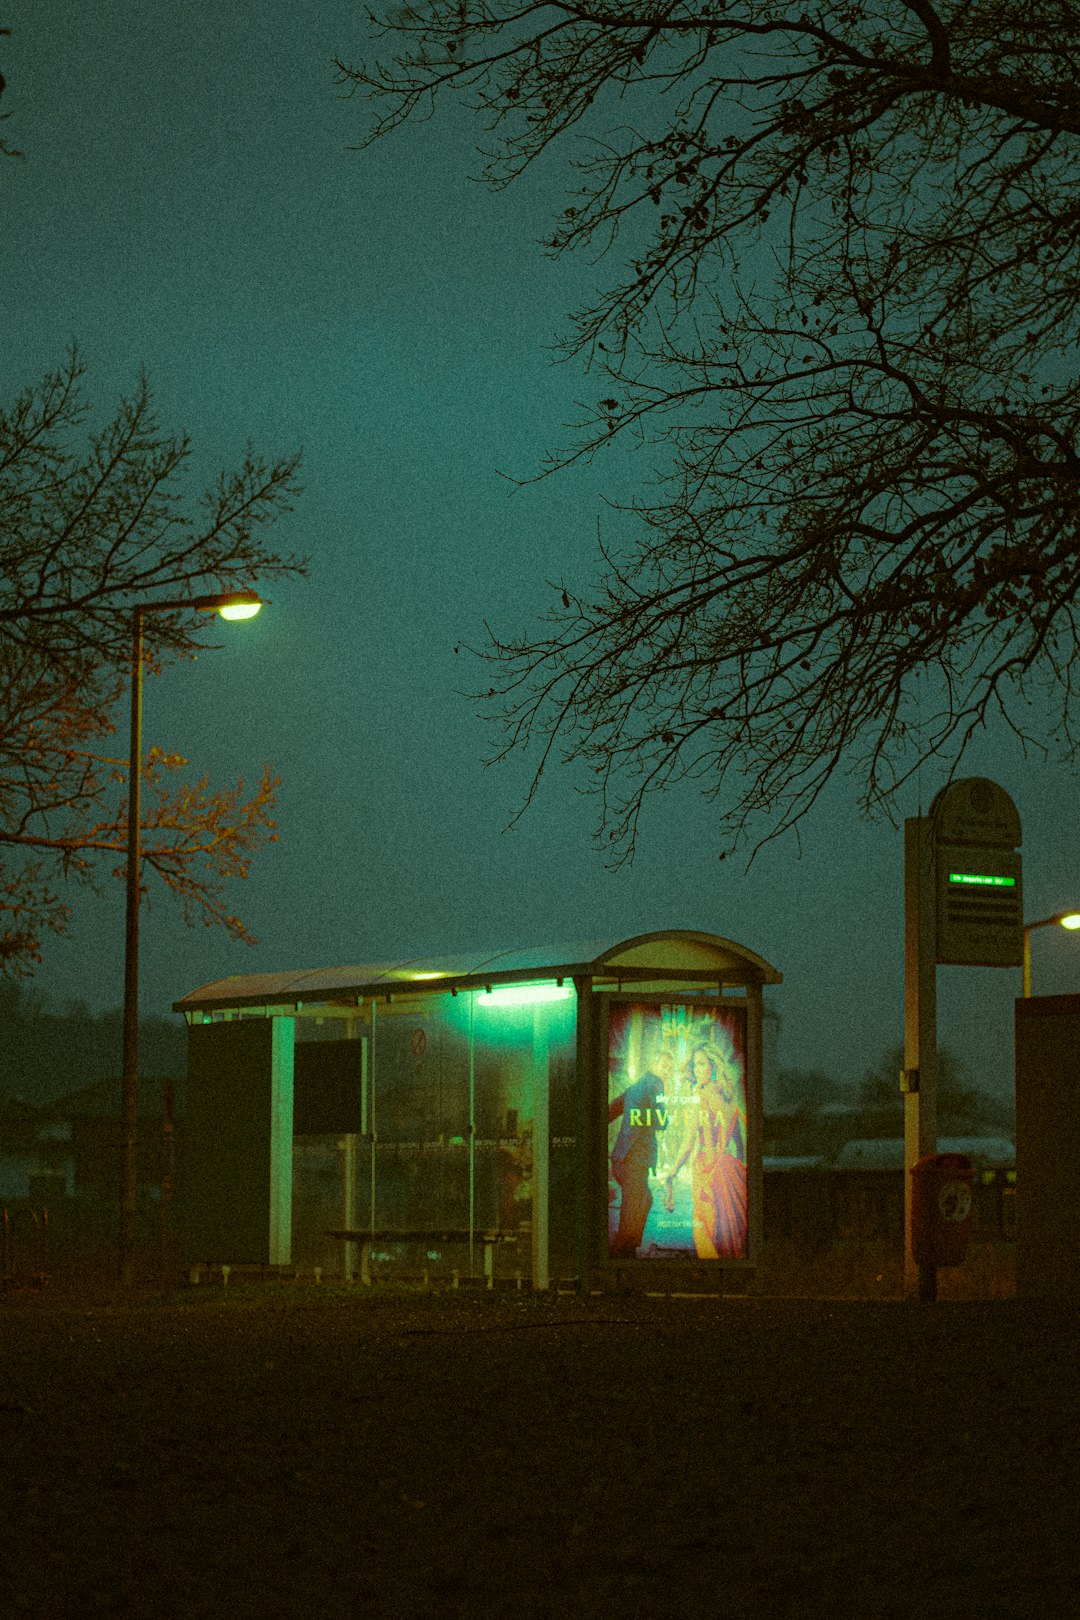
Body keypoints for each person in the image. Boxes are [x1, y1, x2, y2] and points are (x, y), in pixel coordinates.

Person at [663, 1037, 748, 1259]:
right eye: (694, 1064)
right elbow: (739, 1143)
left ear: (713, 1066)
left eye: (701, 1063)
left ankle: (709, 1282)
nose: (696, 1068)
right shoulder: (730, 1097)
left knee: (705, 1233)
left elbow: (689, 1141)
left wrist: (671, 1172)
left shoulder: (699, 1096)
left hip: (707, 1173)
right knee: (729, 1235)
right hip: (731, 1171)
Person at [608, 1046, 675, 1257]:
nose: (667, 1071)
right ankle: (622, 1257)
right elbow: (661, 1122)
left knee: (644, 1200)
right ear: (653, 1065)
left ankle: (628, 1250)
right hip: (635, 1161)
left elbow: (612, 1110)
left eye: (670, 1068)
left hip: (621, 1161)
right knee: (629, 1218)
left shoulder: (635, 1087)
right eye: (665, 1065)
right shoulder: (656, 1084)